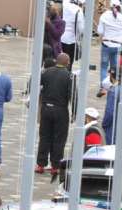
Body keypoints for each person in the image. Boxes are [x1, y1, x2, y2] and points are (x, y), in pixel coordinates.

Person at [36, 53, 72, 182]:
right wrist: (74, 112)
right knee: (59, 139)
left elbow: (33, 83)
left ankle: (40, 164)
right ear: (67, 62)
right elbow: (73, 95)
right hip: (61, 110)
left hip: (46, 109)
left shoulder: (46, 72)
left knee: (44, 136)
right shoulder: (69, 76)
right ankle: (55, 166)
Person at [96, 0, 122, 98]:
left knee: (104, 67)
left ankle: (103, 88)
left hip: (106, 44)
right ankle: (113, 87)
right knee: (114, 68)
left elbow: (100, 31)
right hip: (118, 45)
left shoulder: (104, 15)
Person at [61, 0, 84, 70]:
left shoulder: (63, 5)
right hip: (71, 40)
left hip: (59, 37)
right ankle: (66, 78)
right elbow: (81, 29)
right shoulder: (78, 10)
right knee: (68, 63)